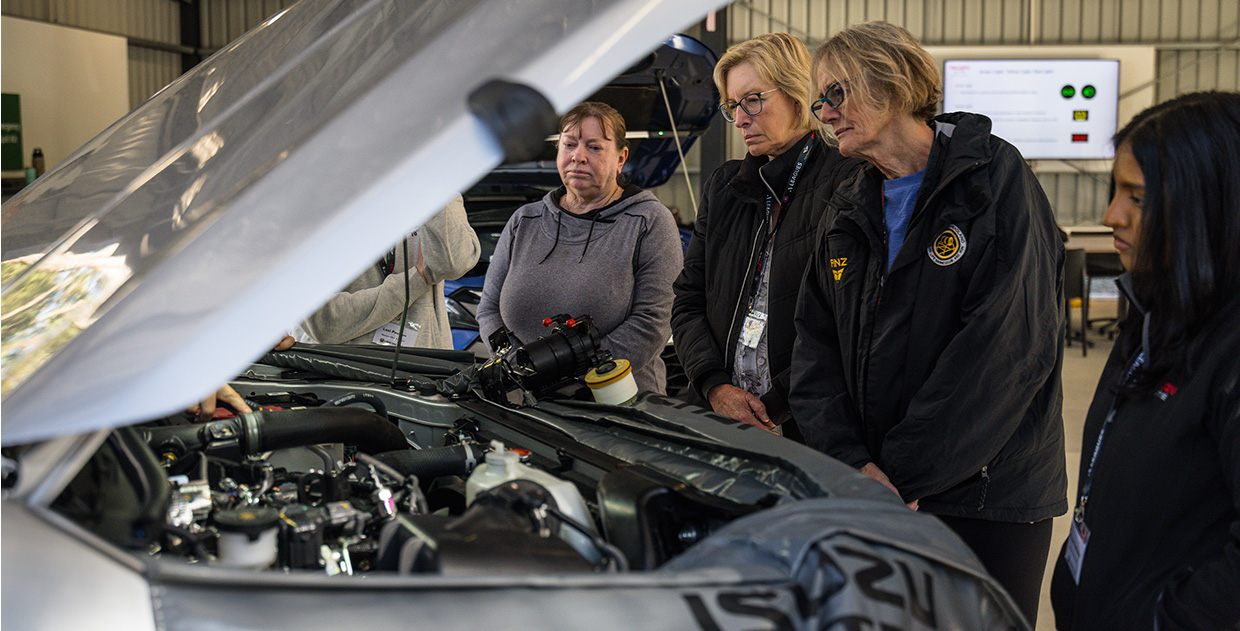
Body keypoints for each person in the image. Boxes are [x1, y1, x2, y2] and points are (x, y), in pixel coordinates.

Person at [789, 21, 1066, 625]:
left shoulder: (991, 179)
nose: (824, 113)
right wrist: (851, 463)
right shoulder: (848, 202)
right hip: (877, 492)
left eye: (836, 93)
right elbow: (813, 347)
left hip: (984, 498)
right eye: (818, 101)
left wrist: (899, 476)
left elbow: (1006, 352)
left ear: (890, 83)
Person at [1050, 92, 1240, 630]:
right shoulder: (1157, 310)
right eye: (1116, 192)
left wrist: (1162, 620)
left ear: (1208, 204)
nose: (1112, 215)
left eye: (1137, 197)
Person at [671, 33, 860, 437]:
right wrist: (714, 386)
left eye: (753, 100)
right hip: (718, 416)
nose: (740, 119)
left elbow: (846, 325)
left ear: (796, 94)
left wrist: (774, 408)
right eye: (732, 106)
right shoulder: (725, 188)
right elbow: (687, 299)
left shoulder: (847, 182)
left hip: (807, 426)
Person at [476, 102, 682, 394]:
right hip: (527, 403)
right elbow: (488, 310)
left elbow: (653, 322)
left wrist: (575, 382)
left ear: (621, 158)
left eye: (594, 147)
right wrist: (522, 370)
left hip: (616, 403)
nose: (578, 156)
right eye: (569, 144)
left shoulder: (648, 221)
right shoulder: (525, 221)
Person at [298, 195, 480, 350]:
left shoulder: (436, 191)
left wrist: (430, 184)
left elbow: (453, 265)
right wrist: (416, 279)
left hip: (422, 368)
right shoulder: (317, 202)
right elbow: (325, 323)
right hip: (343, 369)